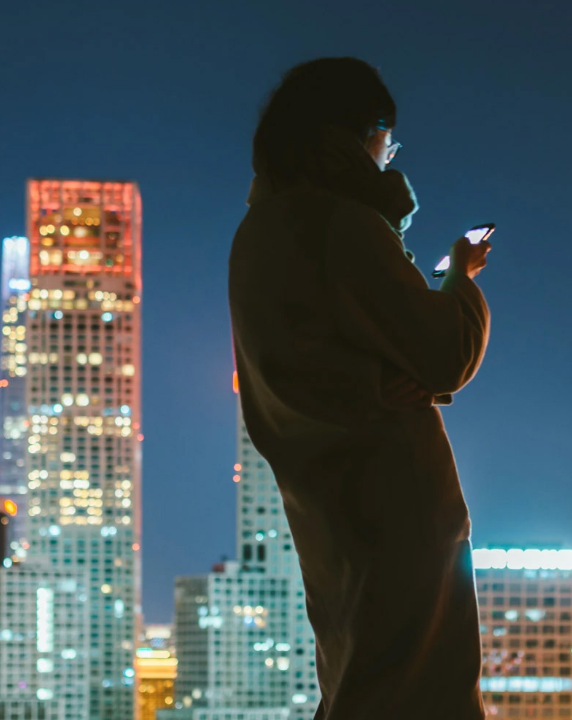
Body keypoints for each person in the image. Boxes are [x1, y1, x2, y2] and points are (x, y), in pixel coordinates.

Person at [227, 57, 492, 718]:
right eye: (387, 144)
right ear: (361, 135)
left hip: (326, 511)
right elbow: (445, 354)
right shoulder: (340, 224)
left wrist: (380, 380)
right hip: (397, 505)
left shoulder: (257, 233)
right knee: (421, 686)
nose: (388, 158)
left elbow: (309, 370)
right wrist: (460, 278)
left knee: (360, 681)